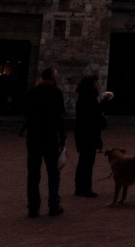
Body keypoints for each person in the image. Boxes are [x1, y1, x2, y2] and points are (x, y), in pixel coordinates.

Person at [22, 66, 66, 218]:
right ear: (52, 77)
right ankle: (54, 205)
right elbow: (60, 117)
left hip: (34, 137)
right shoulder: (56, 92)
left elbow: (26, 114)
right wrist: (63, 137)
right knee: (53, 172)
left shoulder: (32, 92)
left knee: (33, 174)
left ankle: (33, 207)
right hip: (50, 138)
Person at [74, 73, 113, 198]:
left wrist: (104, 101)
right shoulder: (89, 98)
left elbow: (94, 112)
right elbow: (94, 114)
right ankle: (85, 187)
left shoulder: (84, 97)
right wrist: (102, 120)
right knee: (87, 161)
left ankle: (80, 187)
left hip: (83, 133)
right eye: (95, 83)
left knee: (83, 161)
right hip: (88, 133)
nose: (97, 85)